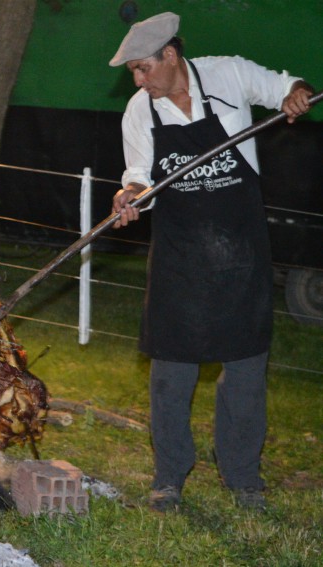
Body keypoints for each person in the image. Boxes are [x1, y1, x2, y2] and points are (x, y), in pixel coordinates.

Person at [107, 12, 313, 512]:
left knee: (244, 370)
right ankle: (169, 478)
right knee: (170, 374)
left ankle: (243, 477)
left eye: (142, 69)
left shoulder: (228, 74)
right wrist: (129, 194)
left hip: (241, 251)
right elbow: (140, 176)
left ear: (170, 56)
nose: (138, 80)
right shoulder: (139, 111)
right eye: (134, 71)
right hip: (180, 256)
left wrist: (296, 93)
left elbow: (284, 85)